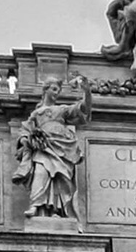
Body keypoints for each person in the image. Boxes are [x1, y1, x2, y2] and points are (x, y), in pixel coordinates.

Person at [12, 78, 93, 220]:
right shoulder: (36, 114)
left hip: (62, 148)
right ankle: (36, 207)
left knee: (61, 179)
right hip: (43, 148)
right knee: (40, 174)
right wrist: (28, 140)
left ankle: (57, 210)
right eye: (54, 89)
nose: (56, 93)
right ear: (45, 90)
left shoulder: (61, 110)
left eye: (58, 90)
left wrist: (86, 91)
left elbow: (83, 109)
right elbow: (24, 131)